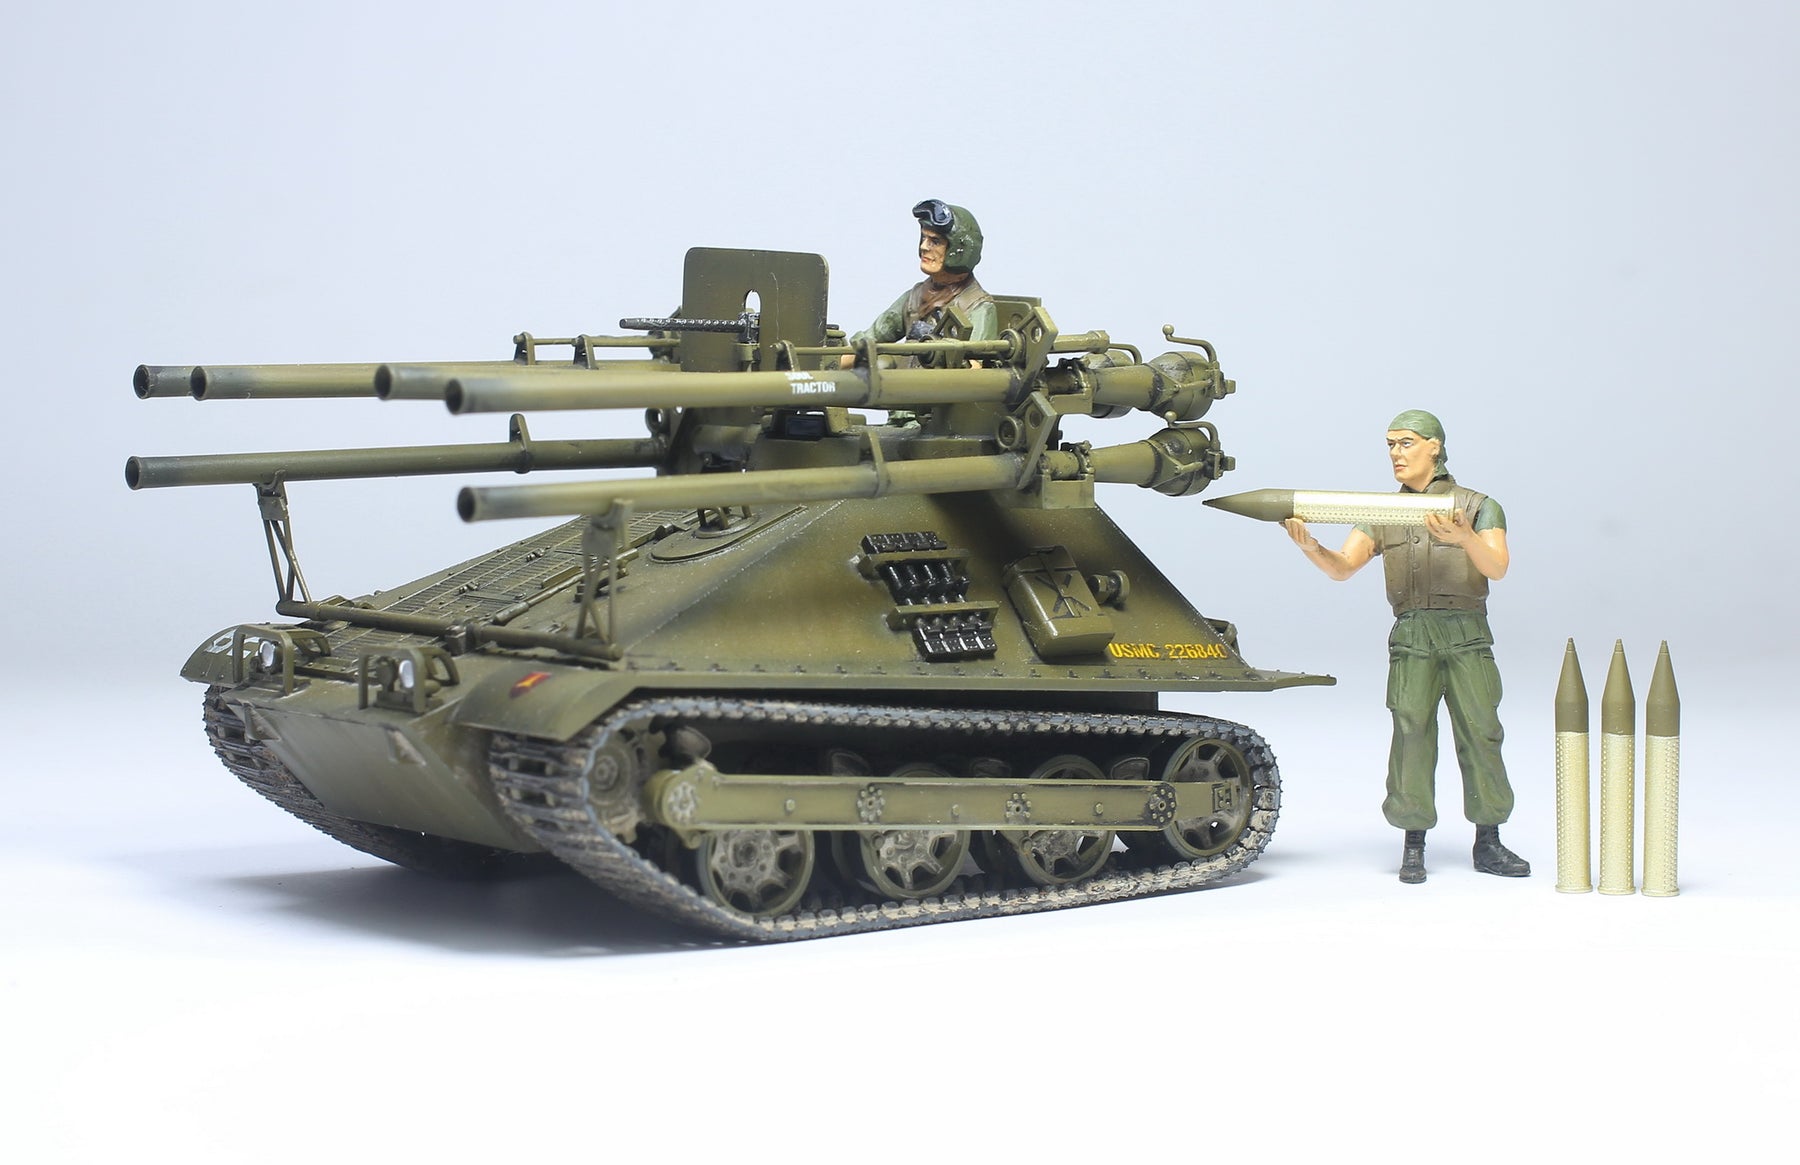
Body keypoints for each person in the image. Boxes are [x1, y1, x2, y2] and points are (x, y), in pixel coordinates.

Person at [1281, 410, 1530, 884]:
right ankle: (1413, 842)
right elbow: (1343, 567)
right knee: (1411, 732)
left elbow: (1496, 567)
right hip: (1413, 635)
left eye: (1406, 442)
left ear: (1435, 446)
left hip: (1467, 632)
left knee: (1481, 730)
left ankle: (1489, 840)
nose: (1396, 453)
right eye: (1391, 444)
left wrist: (1465, 537)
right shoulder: (1382, 512)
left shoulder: (1478, 506)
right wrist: (1311, 546)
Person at [845, 200, 996, 367]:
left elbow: (976, 370)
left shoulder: (977, 307)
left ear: (959, 249)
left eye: (935, 241)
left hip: (943, 383)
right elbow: (869, 340)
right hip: (905, 380)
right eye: (924, 238)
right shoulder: (916, 298)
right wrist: (831, 364)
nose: (924, 246)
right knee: (880, 364)